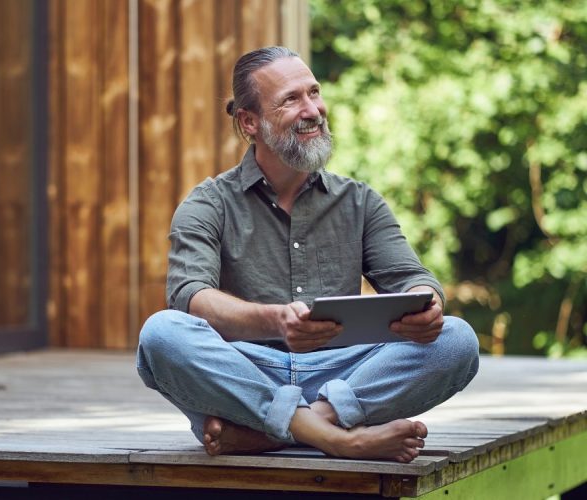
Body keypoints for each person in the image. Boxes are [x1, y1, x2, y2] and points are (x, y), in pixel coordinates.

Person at [136, 46, 479, 463]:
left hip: (346, 377)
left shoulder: (360, 201)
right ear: (250, 123)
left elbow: (411, 277)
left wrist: (428, 303)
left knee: (456, 339)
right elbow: (191, 297)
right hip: (247, 372)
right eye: (291, 99)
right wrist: (276, 320)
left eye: (313, 92)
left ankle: (285, 429)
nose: (312, 109)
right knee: (161, 334)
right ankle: (341, 439)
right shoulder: (208, 203)